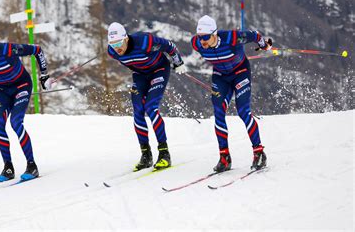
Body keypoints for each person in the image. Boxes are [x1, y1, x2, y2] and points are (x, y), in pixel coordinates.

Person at [0, 27, 51, 182]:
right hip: (2, 90)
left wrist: (44, 74)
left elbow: (37, 50)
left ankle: (32, 166)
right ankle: (8, 168)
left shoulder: (8, 50)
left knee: (15, 122)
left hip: (21, 86)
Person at [190, 15, 271, 172]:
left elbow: (254, 35)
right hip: (221, 76)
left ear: (215, 33)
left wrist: (263, 45)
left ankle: (259, 153)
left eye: (206, 37)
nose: (202, 41)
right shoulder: (196, 43)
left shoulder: (232, 37)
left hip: (240, 72)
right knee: (218, 112)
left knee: (243, 111)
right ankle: (224, 157)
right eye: (200, 37)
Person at [107, 22, 187, 171]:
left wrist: (178, 62)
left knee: (151, 108)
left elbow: (170, 46)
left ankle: (164, 153)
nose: (116, 48)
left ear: (126, 39)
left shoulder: (145, 42)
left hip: (159, 70)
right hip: (140, 75)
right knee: (138, 112)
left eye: (118, 43)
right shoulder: (112, 52)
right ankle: (146, 155)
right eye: (112, 44)